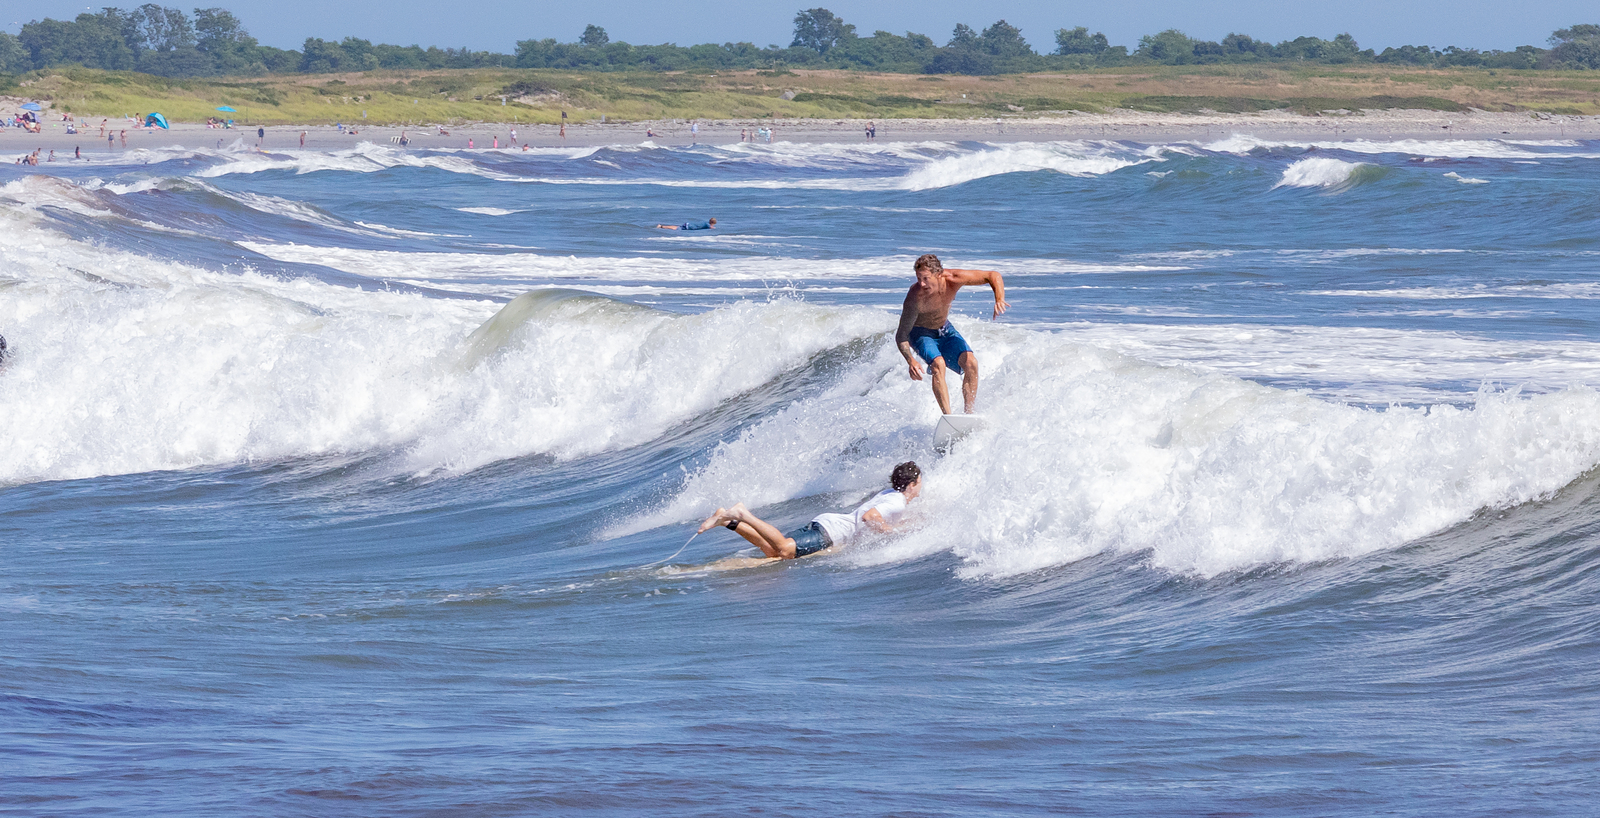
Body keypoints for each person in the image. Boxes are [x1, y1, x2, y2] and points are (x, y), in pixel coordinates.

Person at [697, 462, 922, 559]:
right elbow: (868, 517)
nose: (921, 486)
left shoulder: (889, 494)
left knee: (773, 552)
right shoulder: (898, 501)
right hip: (830, 532)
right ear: (911, 485)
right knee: (784, 550)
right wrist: (891, 532)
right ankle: (741, 513)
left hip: (829, 526)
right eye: (920, 482)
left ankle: (728, 521)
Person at [895, 253, 1008, 415]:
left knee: (971, 364)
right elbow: (901, 335)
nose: (921, 283)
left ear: (939, 274)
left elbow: (993, 275)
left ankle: (969, 414)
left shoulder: (953, 279)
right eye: (918, 278)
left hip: (944, 329)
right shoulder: (915, 296)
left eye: (926, 278)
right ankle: (948, 417)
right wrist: (910, 360)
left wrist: (999, 299)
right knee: (938, 364)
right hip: (920, 332)